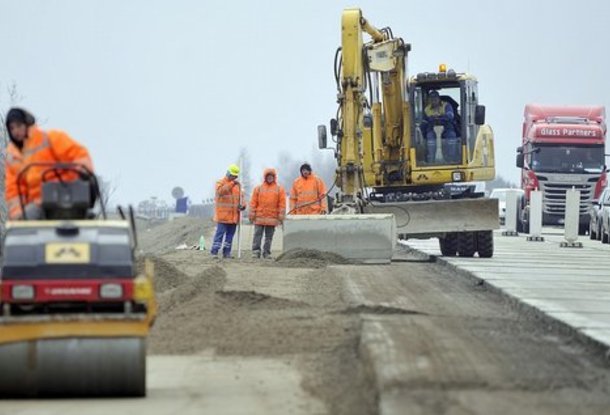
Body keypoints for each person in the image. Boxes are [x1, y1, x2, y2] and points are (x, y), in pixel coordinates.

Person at [4, 107, 94, 220]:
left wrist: (83, 172)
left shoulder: (51, 138)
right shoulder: (12, 156)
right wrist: (17, 215)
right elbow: (13, 189)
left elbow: (79, 155)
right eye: (12, 128)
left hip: (66, 193)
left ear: (27, 124)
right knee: (24, 223)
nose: (16, 131)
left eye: (19, 126)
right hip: (37, 204)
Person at [249, 168, 286, 259]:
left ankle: (266, 252)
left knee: (269, 237)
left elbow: (282, 204)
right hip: (259, 217)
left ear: (274, 177)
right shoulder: (258, 188)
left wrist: (281, 216)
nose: (270, 178)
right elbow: (253, 202)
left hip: (272, 218)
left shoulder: (279, 189)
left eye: (271, 176)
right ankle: (256, 251)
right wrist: (252, 214)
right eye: (268, 176)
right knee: (257, 235)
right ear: (265, 177)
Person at [211, 164, 246, 259]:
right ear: (228, 173)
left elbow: (241, 198)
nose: (233, 177)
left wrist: (243, 206)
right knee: (220, 235)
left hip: (234, 217)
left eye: (235, 176)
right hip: (223, 216)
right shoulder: (220, 182)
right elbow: (220, 192)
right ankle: (214, 252)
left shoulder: (238, 186)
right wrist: (231, 184)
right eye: (232, 175)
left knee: (230, 236)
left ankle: (227, 253)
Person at [421, 90, 458, 163]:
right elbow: (424, 121)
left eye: (435, 98)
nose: (433, 100)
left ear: (439, 98)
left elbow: (450, 115)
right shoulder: (427, 109)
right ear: (429, 100)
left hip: (446, 128)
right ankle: (431, 159)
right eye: (431, 99)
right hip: (432, 129)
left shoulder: (446, 105)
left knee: (451, 135)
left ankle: (451, 159)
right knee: (430, 137)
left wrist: (439, 116)